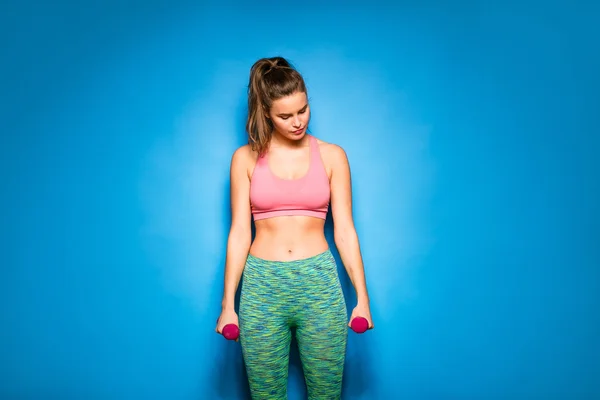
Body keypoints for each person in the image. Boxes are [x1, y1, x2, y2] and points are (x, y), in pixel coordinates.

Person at [215, 56, 374, 399]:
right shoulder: (244, 159)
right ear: (266, 114)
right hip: (262, 287)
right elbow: (240, 232)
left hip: (318, 284)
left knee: (325, 394)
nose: (297, 121)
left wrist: (362, 297)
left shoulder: (333, 156)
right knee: (266, 396)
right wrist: (228, 304)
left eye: (302, 110)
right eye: (285, 116)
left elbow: (345, 229)